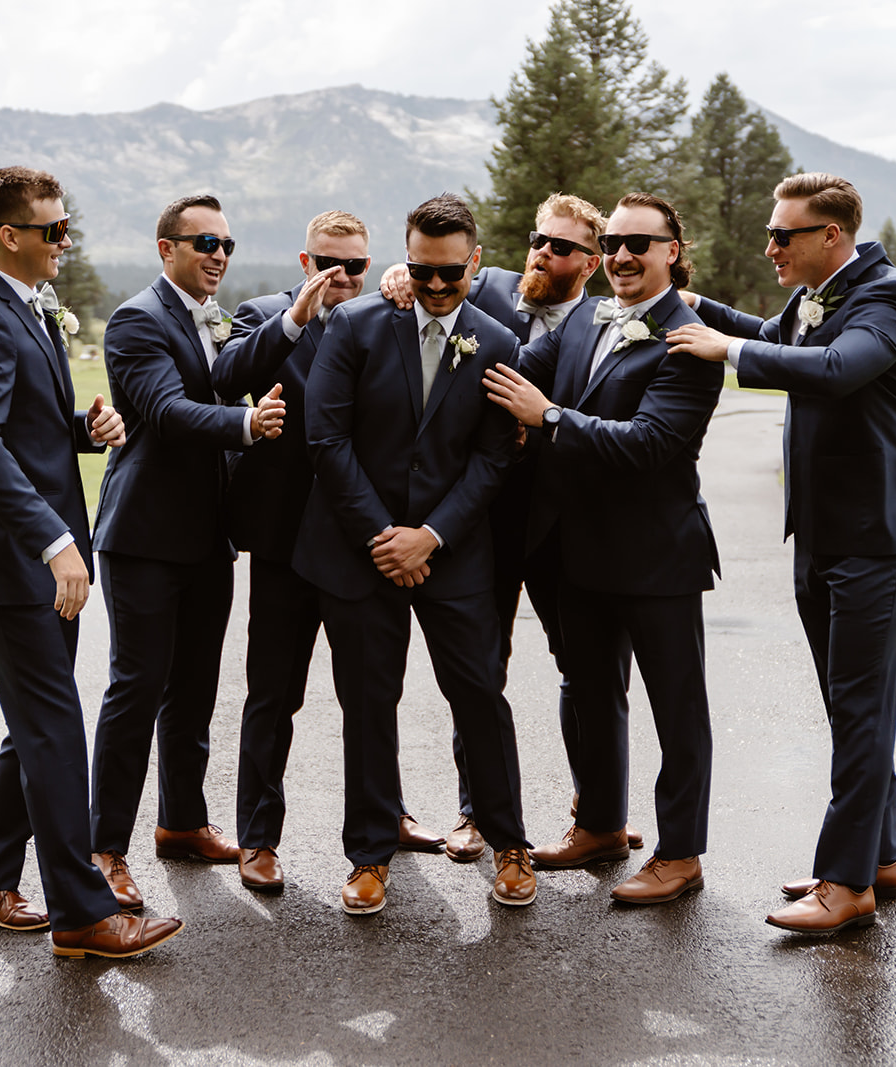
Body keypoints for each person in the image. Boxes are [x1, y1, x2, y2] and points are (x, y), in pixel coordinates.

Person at [666, 172, 896, 934]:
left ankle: (846, 883)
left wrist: (726, 349)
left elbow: (833, 369)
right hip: (820, 534)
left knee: (858, 708)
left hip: (876, 539)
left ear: (832, 236)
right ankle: (879, 857)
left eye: (784, 234)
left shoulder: (885, 295)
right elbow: (780, 333)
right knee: (850, 707)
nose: (770, 246)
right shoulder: (815, 296)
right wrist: (704, 310)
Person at [0, 166, 181, 958]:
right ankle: (82, 912)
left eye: (65, 225)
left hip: (36, 558)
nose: (64, 241)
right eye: (52, 230)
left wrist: (85, 424)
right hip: (9, 562)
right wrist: (55, 542)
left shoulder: (28, 309)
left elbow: (23, 424)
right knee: (52, 728)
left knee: (33, 725)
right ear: (10, 236)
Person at [381, 194, 646, 858]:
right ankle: (476, 812)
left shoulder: (601, 321)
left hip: (560, 523)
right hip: (478, 522)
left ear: (589, 263)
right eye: (536, 239)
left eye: (559, 247)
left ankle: (597, 808)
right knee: (478, 669)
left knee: (587, 668)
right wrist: (393, 275)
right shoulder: (488, 287)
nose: (540, 253)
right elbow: (430, 278)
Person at [294, 193, 536, 915]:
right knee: (369, 701)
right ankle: (369, 852)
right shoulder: (356, 325)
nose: (434, 288)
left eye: (450, 275)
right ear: (405, 259)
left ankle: (510, 841)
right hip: (357, 547)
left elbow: (494, 459)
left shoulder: (497, 342)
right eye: (422, 272)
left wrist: (430, 536)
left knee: (480, 695)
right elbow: (326, 440)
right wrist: (385, 536)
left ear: (475, 262)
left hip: (453, 551)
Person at [484, 191, 722, 904]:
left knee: (677, 709)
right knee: (590, 692)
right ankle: (601, 825)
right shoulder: (587, 317)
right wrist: (421, 302)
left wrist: (550, 415)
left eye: (638, 244)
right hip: (579, 551)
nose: (622, 254)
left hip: (658, 555)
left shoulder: (691, 337)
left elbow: (649, 445)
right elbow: (514, 363)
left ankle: (680, 853)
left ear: (670, 253)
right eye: (613, 242)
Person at [211, 210, 445, 894]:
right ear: (305, 261)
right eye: (328, 263)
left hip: (361, 540)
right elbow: (226, 376)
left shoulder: (389, 315)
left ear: (374, 267)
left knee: (373, 693)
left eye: (357, 265)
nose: (343, 275)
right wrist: (297, 319)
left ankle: (385, 816)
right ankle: (258, 838)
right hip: (284, 542)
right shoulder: (262, 313)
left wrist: (409, 284)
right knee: (272, 694)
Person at [86, 194, 285, 911]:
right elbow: (165, 413)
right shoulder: (138, 319)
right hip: (143, 537)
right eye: (203, 242)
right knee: (136, 689)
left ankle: (182, 822)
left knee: (195, 689)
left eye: (226, 244)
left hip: (208, 537)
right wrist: (246, 424)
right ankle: (104, 850)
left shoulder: (216, 321)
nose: (218, 255)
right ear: (166, 247)